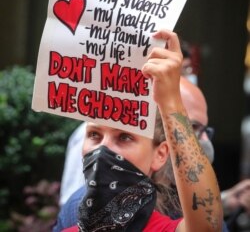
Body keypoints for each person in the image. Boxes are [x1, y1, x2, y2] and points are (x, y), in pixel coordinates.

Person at [54, 29, 223, 232]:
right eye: (94, 135)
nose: (103, 148)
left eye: (124, 137)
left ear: (160, 154)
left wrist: (170, 99)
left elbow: (207, 224)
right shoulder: (69, 222)